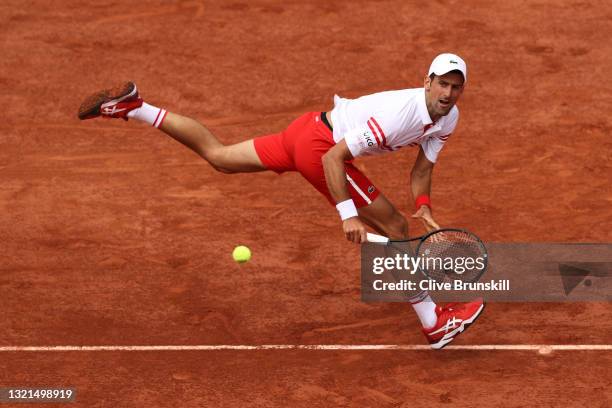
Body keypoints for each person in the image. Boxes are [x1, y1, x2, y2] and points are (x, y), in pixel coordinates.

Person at [78, 53, 484, 349]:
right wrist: (347, 215)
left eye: (455, 86)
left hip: (302, 130)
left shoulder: (448, 117)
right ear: (427, 81)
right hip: (320, 145)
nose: (448, 92)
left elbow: (421, 170)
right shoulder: (403, 113)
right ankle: (434, 323)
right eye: (442, 83)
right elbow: (333, 157)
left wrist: (425, 204)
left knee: (220, 157)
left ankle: (135, 107)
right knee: (394, 227)